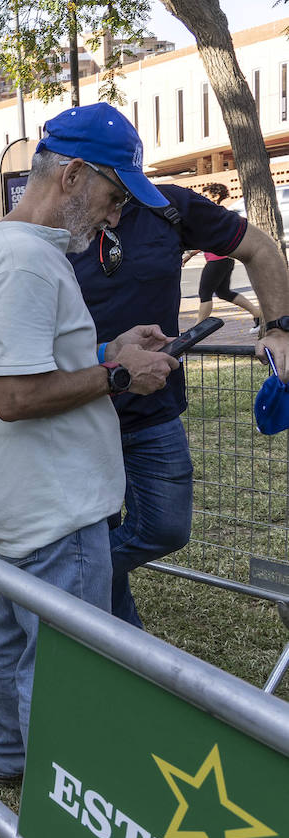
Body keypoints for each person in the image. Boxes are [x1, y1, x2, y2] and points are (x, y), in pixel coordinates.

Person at [0, 103, 179, 782]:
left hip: (23, 496)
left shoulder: (3, 247)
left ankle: (9, 756)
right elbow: (14, 396)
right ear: (73, 176)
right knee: (65, 656)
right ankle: (65, 784)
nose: (113, 217)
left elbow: (25, 360)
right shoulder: (23, 262)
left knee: (14, 632)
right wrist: (116, 374)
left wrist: (110, 347)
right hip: (55, 499)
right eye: (112, 197)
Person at [72, 177, 288, 629]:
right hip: (78, 412)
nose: (114, 210)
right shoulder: (53, 219)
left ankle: (60, 586)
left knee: (165, 528)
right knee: (95, 537)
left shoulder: (167, 205)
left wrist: (280, 327)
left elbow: (261, 249)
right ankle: (119, 654)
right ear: (76, 172)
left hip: (152, 407)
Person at [183, 183, 265, 329]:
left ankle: (196, 330)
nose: (203, 198)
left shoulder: (213, 214)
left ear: (216, 196)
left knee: (205, 293)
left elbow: (205, 238)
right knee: (224, 292)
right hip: (225, 260)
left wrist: (189, 253)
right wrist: (190, 254)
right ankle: (257, 313)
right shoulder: (219, 212)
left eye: (206, 195)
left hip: (218, 260)